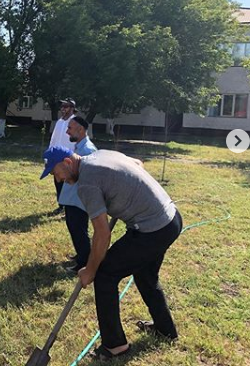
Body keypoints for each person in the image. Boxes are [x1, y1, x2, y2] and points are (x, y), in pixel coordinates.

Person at [40, 147, 182, 361]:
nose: (58, 179)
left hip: (152, 229)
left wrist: (90, 270)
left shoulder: (86, 184)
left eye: (56, 172)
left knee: (105, 274)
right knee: (145, 275)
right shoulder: (101, 155)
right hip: (170, 218)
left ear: (68, 162)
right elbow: (137, 163)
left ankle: (115, 346)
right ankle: (165, 329)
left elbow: (102, 234)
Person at [58, 116, 97, 273]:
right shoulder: (80, 146)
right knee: (74, 227)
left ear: (80, 129)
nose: (67, 132)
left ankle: (83, 264)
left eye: (70, 128)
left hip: (78, 200)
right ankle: (81, 254)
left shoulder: (88, 150)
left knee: (78, 229)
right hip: (72, 198)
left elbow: (90, 177)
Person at [49, 98, 76, 213]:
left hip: (70, 158)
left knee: (69, 183)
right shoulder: (59, 122)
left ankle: (70, 207)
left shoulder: (76, 122)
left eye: (66, 106)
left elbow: (79, 141)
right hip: (57, 158)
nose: (63, 109)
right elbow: (53, 140)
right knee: (58, 181)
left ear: (72, 108)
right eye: (62, 107)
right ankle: (61, 205)